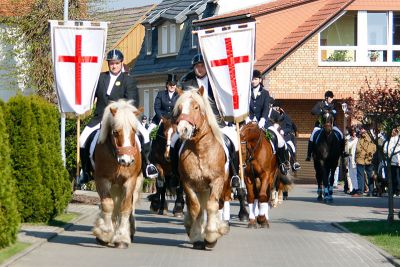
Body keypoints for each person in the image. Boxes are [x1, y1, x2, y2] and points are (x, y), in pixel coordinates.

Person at [78, 49, 158, 187]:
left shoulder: (128, 80)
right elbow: (90, 94)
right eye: (111, 63)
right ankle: (85, 171)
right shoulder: (101, 78)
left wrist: (120, 113)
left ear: (121, 63)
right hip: (101, 118)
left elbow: (132, 102)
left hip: (123, 119)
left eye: (116, 63)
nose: (114, 66)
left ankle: (147, 165)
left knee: (145, 135)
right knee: (82, 139)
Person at [178, 53, 240, 187]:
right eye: (197, 66)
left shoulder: (215, 80)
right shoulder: (186, 81)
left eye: (202, 66)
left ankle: (235, 173)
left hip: (216, 119)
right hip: (193, 121)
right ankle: (177, 175)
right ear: (193, 68)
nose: (200, 69)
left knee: (233, 140)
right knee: (174, 142)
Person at [245, 69, 290, 175]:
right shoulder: (247, 92)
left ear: (260, 80)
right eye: (252, 79)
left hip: (263, 123)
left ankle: (283, 163)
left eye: (255, 79)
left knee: (280, 140)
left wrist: (262, 120)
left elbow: (266, 108)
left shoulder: (265, 93)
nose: (253, 81)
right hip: (248, 123)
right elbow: (244, 107)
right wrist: (247, 119)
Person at [305, 90, 344, 161]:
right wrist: (321, 112)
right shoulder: (319, 104)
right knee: (312, 137)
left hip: (331, 125)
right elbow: (313, 111)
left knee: (341, 134)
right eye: (331, 97)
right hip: (320, 125)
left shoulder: (333, 105)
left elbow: (335, 114)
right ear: (326, 98)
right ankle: (309, 155)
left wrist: (331, 112)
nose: (332, 99)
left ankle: (342, 152)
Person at [273, 105, 301, 171]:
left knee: (292, 147)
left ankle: (294, 163)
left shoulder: (286, 117)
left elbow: (289, 127)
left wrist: (283, 131)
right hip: (274, 137)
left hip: (285, 137)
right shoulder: (271, 117)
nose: (275, 111)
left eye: (276, 109)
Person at [353, 126, 376, 197]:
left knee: (364, 175)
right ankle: (370, 191)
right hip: (363, 159)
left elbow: (360, 149)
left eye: (362, 129)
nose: (360, 130)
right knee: (366, 175)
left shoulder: (367, 139)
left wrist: (368, 155)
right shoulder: (368, 138)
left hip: (364, 159)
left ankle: (362, 191)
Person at [383, 128, 400, 195]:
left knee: (394, 177)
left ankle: (394, 191)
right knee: (397, 176)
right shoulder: (397, 139)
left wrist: (389, 155)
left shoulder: (391, 139)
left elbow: (386, 150)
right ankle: (397, 191)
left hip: (393, 160)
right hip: (396, 160)